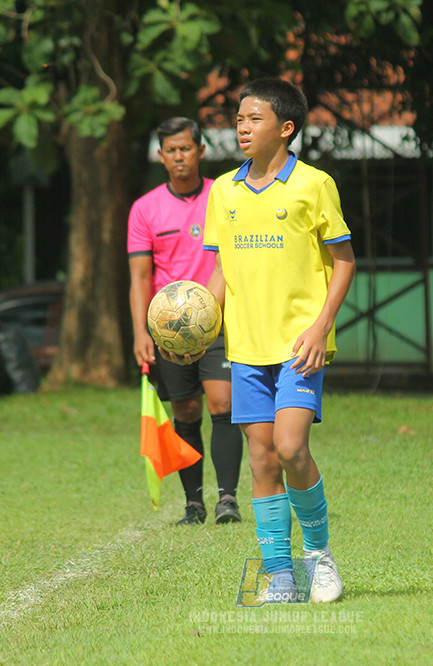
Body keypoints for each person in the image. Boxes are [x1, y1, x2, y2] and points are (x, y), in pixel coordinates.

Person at [201, 78, 356, 603]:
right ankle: (282, 577)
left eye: (254, 119)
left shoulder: (314, 185)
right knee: (262, 460)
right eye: (239, 119)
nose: (242, 128)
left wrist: (320, 328)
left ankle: (319, 557)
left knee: (291, 447)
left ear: (285, 128)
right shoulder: (223, 190)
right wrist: (200, 321)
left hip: (298, 347)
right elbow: (223, 269)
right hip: (244, 347)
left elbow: (344, 262)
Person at [127, 117, 244, 526]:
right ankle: (193, 504)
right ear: (161, 156)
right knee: (186, 409)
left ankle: (227, 498)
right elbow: (140, 278)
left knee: (223, 403)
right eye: (171, 150)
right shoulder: (144, 209)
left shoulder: (223, 196)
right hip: (169, 331)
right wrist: (141, 332)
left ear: (201, 150)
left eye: (186, 148)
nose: (179, 156)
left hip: (218, 322)